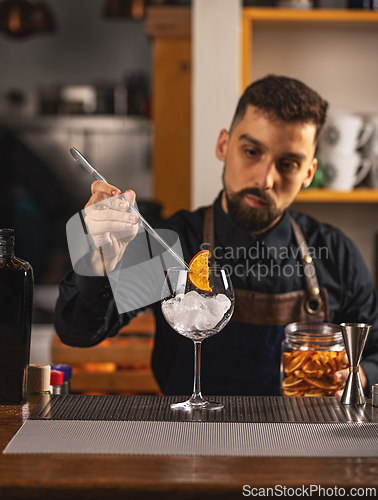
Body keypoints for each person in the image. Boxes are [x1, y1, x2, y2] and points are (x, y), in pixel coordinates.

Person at [55, 75, 378, 397]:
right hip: (189, 437)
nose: (265, 179)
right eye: (252, 151)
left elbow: (375, 352)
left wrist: (357, 375)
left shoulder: (335, 252)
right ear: (223, 145)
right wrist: (99, 263)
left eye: (288, 163)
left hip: (302, 440)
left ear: (308, 173)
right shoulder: (171, 240)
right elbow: (79, 333)